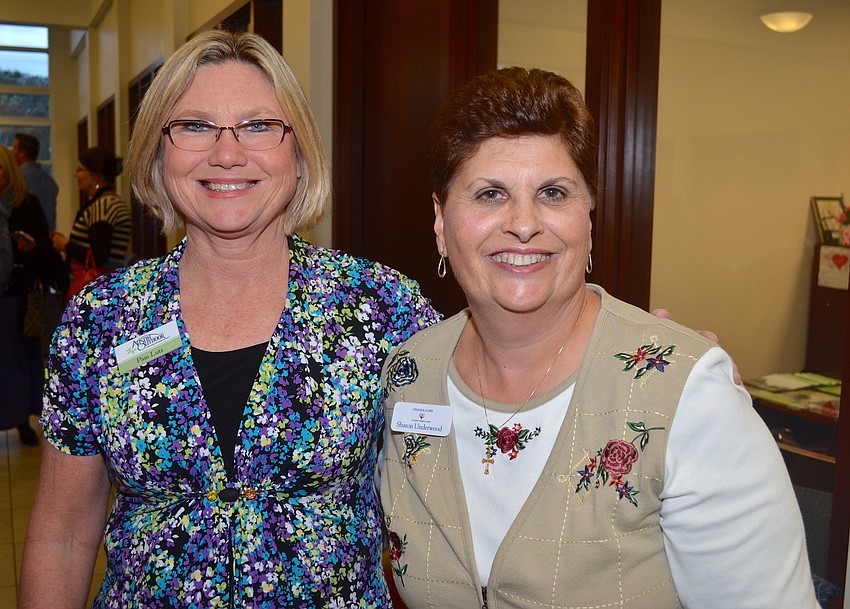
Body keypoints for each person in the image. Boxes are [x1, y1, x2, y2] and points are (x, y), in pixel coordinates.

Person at [18, 30, 440, 609]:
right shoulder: (101, 319)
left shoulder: (381, 307)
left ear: (299, 150)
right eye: (194, 126)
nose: (226, 153)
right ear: (158, 151)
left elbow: (453, 505)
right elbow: (63, 536)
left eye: (259, 125)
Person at [379, 67, 819, 609]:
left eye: (553, 192)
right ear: (442, 224)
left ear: (589, 219)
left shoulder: (689, 398)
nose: (523, 223)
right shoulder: (406, 376)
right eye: (490, 193)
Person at [0, 145, 49, 446]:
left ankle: (22, 420)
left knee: (20, 363)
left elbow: (44, 246)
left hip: (19, 296)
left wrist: (30, 248)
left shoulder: (26, 204)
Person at [49, 146, 132, 301]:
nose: (76, 175)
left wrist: (66, 245)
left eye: (80, 170)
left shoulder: (103, 205)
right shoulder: (108, 202)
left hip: (97, 288)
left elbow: (98, 255)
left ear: (95, 176)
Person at [12, 133, 59, 233]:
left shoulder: (17, 181)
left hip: (23, 241)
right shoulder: (51, 182)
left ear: (22, 154)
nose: (11, 152)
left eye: (14, 148)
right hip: (46, 240)